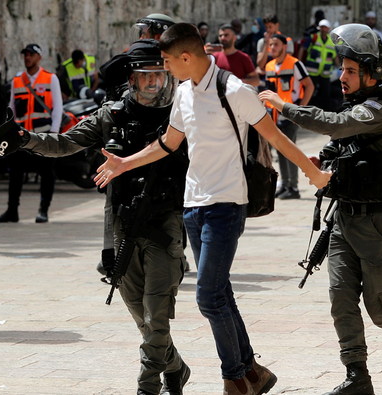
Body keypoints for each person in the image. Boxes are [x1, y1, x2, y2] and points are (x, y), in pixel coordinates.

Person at [95, 23, 331, 395]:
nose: (166, 69)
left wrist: (313, 173)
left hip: (226, 205)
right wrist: (125, 163)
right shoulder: (184, 95)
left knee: (207, 296)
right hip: (193, 208)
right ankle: (254, 371)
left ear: (186, 57)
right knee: (221, 292)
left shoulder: (234, 90)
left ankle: (235, 377)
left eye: (169, 61)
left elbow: (275, 137)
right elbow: (167, 144)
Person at [0, 39, 190, 395]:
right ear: (132, 79)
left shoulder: (181, 114)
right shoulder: (112, 115)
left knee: (156, 314)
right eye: (145, 76)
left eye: (159, 76)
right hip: (122, 225)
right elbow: (64, 144)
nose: (153, 83)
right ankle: (175, 364)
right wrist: (23, 138)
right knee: (141, 316)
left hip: (166, 223)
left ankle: (147, 387)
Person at [259, 23, 382, 395]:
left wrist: (285, 106)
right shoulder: (358, 104)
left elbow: (336, 126)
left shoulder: (379, 109)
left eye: (351, 71)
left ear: (372, 75)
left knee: (381, 308)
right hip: (345, 219)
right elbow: (342, 147)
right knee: (341, 300)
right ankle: (357, 376)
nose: (341, 76)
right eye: (342, 69)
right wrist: (323, 161)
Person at [0, 44, 62, 224]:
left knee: (46, 173)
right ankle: (12, 211)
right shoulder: (17, 81)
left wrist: (54, 134)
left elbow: (57, 109)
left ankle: (43, 210)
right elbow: (12, 109)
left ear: (39, 57)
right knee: (14, 174)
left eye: (31, 55)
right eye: (25, 54)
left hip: (43, 135)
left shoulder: (50, 79)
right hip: (20, 137)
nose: (27, 58)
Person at [265, 34, 314, 200]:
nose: (272, 48)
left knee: (290, 151)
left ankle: (293, 187)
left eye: (276, 45)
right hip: (273, 115)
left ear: (284, 47)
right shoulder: (269, 66)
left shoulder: (295, 64)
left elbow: (309, 86)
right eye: (271, 45)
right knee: (280, 151)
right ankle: (285, 184)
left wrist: (299, 110)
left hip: (289, 115)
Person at [298, 19, 339, 110]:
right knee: (310, 92)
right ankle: (307, 110)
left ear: (328, 29)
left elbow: (335, 56)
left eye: (325, 27)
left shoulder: (331, 41)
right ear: (319, 28)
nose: (323, 29)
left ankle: (325, 111)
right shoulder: (313, 37)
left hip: (325, 72)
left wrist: (339, 67)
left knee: (326, 92)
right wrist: (299, 62)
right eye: (322, 27)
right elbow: (302, 49)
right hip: (312, 71)